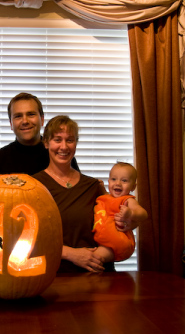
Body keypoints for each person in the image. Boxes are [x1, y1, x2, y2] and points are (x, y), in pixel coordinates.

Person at [33, 115, 131, 273]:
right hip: (55, 279)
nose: (64, 147)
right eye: (57, 140)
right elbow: (26, 240)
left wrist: (130, 218)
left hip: (99, 277)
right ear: (46, 143)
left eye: (70, 140)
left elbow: (118, 232)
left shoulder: (94, 186)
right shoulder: (33, 186)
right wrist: (71, 254)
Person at [0, 92, 79, 185]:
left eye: (31, 114)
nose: (25, 121)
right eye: (18, 116)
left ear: (42, 119)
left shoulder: (60, 154)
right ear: (11, 124)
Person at [93, 162, 148, 263]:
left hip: (117, 241)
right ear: (108, 181)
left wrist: (131, 213)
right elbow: (109, 203)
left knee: (94, 259)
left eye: (124, 180)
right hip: (104, 240)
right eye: (114, 179)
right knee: (91, 255)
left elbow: (143, 213)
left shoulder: (127, 200)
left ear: (133, 187)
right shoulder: (106, 197)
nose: (118, 183)